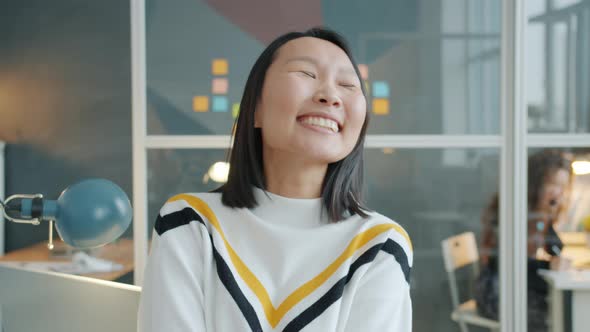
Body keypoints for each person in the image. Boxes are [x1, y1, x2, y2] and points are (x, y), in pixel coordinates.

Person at [137, 27, 413, 332]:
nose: (330, 95)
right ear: (255, 108)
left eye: (348, 84)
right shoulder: (191, 223)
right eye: (306, 73)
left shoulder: (380, 243)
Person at [475, 149, 574, 332]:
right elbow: (504, 263)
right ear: (537, 183)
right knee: (555, 312)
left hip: (518, 281)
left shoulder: (539, 211)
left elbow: (554, 247)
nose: (559, 192)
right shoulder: (517, 212)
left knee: (561, 304)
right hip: (496, 289)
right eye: (553, 184)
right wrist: (547, 267)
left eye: (562, 187)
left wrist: (549, 215)